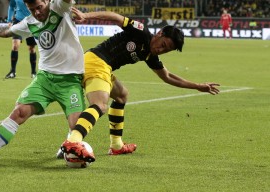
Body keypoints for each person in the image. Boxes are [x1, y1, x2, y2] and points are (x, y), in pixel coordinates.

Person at [60, 8, 220, 162]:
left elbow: (168, 76)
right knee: (100, 105)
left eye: (167, 50)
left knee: (122, 95)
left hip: (103, 67)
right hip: (96, 61)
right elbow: (115, 17)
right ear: (159, 34)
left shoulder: (150, 55)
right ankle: (73, 140)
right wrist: (86, 16)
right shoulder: (141, 31)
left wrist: (198, 86)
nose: (161, 50)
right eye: (163, 45)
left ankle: (116, 145)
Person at [0, 0, 92, 165]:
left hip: (70, 81)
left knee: (77, 127)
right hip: (45, 80)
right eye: (32, 9)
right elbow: (6, 32)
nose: (37, 12)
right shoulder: (30, 21)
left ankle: (67, 146)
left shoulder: (60, 8)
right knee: (19, 112)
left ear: (47, 0)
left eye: (39, 7)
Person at [5, 0, 37, 79]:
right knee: (15, 46)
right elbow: (11, 7)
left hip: (32, 22)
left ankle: (33, 73)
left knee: (32, 48)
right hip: (18, 21)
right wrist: (9, 20)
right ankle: (12, 72)